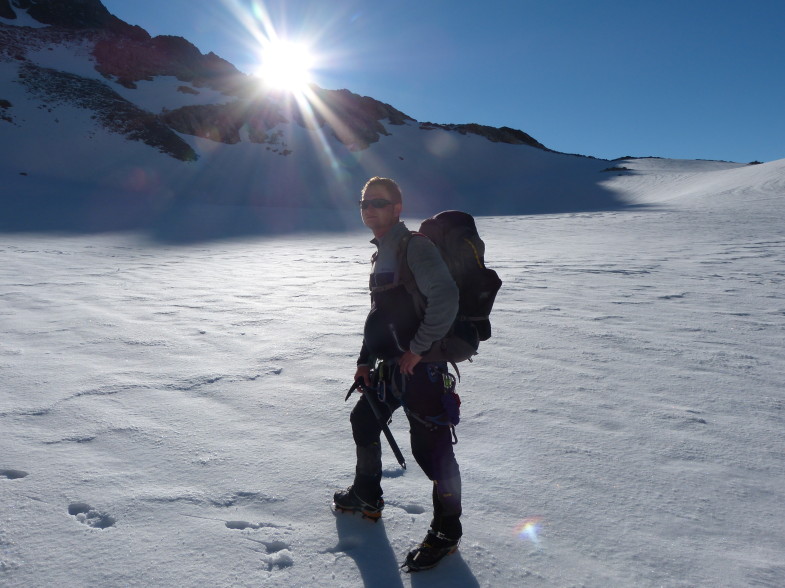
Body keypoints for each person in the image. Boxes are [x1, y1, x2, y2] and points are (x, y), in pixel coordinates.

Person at [333, 176, 463, 571]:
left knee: (433, 455)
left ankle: (446, 532)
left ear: (396, 208)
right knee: (364, 420)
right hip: (391, 366)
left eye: (378, 202)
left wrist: (418, 349)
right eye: (364, 203)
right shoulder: (383, 251)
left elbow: (446, 297)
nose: (369, 208)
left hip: (422, 371)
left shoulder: (414, 247)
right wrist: (364, 360)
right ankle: (366, 496)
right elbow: (381, 314)